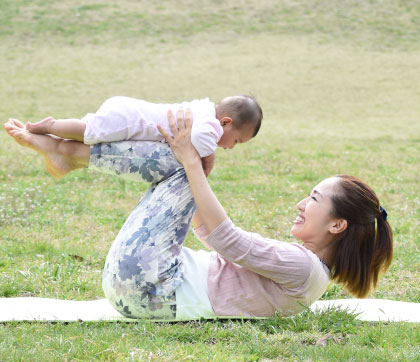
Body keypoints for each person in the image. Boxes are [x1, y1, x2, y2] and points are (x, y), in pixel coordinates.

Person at [4, 113, 393, 320]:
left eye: (313, 198)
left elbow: (229, 240)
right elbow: (214, 234)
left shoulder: (303, 267)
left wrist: (191, 163)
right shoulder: (306, 271)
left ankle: (70, 153)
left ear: (336, 224)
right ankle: (70, 153)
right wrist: (194, 178)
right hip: (145, 290)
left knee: (180, 157)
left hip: (150, 284)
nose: (301, 203)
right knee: (183, 162)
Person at [25, 95, 263, 177]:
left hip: (129, 112)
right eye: (236, 141)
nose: (231, 147)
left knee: (92, 132)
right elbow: (200, 139)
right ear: (226, 122)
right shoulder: (209, 123)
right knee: (89, 131)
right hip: (130, 118)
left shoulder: (204, 110)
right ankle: (51, 126)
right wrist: (209, 156)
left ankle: (61, 146)